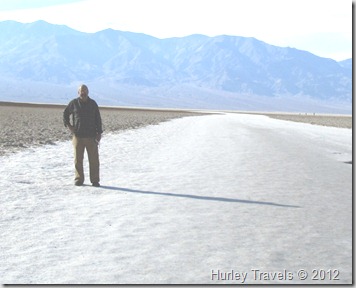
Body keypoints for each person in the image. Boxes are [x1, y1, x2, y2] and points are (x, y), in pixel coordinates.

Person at [63, 84, 103, 187]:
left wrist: (99, 133)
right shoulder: (74, 103)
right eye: (81, 91)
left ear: (88, 92)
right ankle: (79, 179)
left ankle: (95, 180)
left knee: (94, 160)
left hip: (91, 137)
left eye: (85, 90)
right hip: (78, 137)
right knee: (78, 160)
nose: (83, 92)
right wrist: (69, 126)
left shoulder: (93, 104)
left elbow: (98, 119)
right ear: (78, 93)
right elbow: (65, 114)